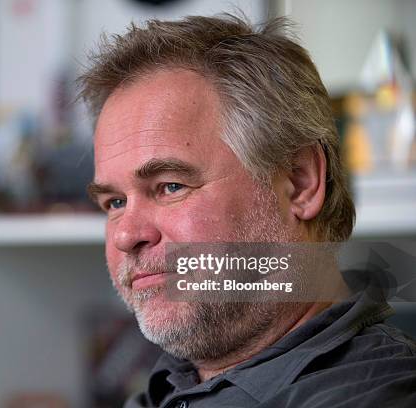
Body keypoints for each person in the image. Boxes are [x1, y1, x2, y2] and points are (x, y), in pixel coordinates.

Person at [79, 13, 416, 408]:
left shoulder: (375, 396)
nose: (125, 234)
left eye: (170, 186)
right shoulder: (168, 390)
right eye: (115, 202)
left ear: (300, 182)